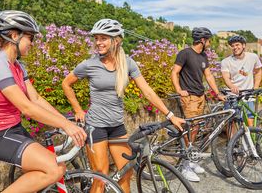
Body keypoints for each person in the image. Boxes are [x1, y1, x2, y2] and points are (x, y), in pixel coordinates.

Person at [62, 19, 185, 193]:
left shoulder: (128, 63)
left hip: (117, 126)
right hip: (95, 127)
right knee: (100, 177)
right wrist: (77, 109)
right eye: (96, 38)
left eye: (103, 38)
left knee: (126, 173)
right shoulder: (89, 64)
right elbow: (66, 84)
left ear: (116, 40)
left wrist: (170, 115)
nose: (98, 43)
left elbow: (147, 92)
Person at [0, 10, 87, 193]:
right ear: (14, 35)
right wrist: (66, 126)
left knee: (43, 175)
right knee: (54, 169)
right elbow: (27, 107)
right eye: (30, 38)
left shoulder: (17, 66)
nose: (32, 44)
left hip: (15, 129)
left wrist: (64, 121)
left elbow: (35, 98)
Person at [171, 27, 225, 182]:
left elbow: (208, 76)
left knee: (196, 129)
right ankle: (185, 166)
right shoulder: (185, 53)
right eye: (208, 40)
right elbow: (174, 72)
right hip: (190, 98)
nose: (210, 43)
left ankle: (191, 160)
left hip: (201, 97)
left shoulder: (203, 56)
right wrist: (179, 90)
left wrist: (217, 93)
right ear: (203, 40)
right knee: (191, 130)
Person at [221, 35, 262, 126]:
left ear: (244, 45)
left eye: (237, 45)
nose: (235, 47)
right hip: (233, 95)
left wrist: (255, 87)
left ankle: (251, 140)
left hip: (248, 94)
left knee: (249, 122)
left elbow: (258, 71)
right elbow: (226, 78)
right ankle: (233, 140)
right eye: (233, 46)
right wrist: (232, 87)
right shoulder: (226, 61)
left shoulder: (253, 57)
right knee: (231, 123)